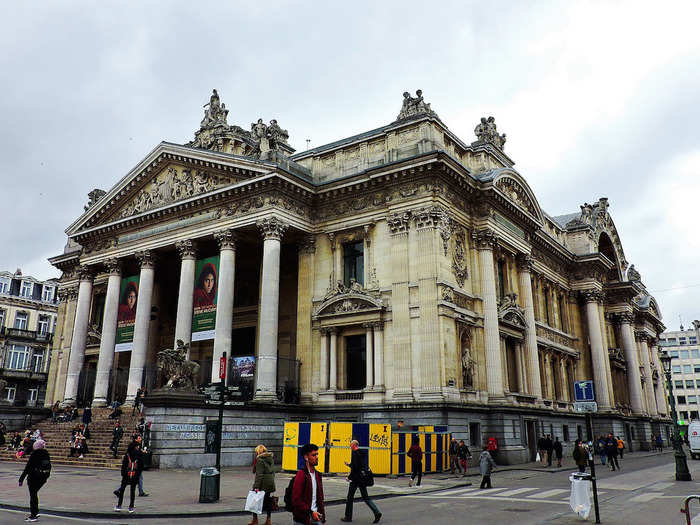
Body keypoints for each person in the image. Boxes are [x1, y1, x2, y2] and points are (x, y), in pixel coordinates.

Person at [341, 440, 381, 523]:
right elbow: (358, 465)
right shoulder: (361, 454)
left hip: (355, 479)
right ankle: (377, 512)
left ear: (354, 445)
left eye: (351, 444)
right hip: (362, 479)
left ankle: (348, 517)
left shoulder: (355, 454)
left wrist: (349, 477)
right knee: (366, 498)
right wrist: (349, 464)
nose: (350, 446)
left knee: (349, 498)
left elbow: (355, 468)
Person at [291, 443, 326, 525]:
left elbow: (320, 499)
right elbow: (296, 500)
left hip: (317, 518)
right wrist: (310, 512)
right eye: (314, 455)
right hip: (303, 519)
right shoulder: (301, 475)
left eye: (317, 454)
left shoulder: (318, 475)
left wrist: (323, 519)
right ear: (306, 457)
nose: (317, 457)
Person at [19, 439, 51, 522]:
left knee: (33, 495)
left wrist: (21, 478)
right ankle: (35, 512)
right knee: (34, 494)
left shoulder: (35, 454)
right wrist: (46, 477)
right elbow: (49, 466)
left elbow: (28, 467)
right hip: (43, 477)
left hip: (34, 477)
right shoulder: (46, 453)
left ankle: (33, 515)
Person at [249, 444, 275, 525]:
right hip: (270, 483)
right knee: (268, 501)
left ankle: (255, 520)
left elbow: (259, 475)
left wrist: (256, 487)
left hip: (263, 483)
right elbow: (273, 472)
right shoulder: (270, 459)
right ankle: (268, 520)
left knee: (254, 501)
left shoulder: (260, 460)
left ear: (258, 452)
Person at [115, 441, 142, 513]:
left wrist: (123, 474)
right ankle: (131, 507)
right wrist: (138, 475)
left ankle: (119, 506)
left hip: (126, 475)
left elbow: (123, 466)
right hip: (134, 475)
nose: (138, 447)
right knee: (132, 491)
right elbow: (140, 467)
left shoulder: (127, 455)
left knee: (122, 490)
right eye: (137, 446)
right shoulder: (139, 454)